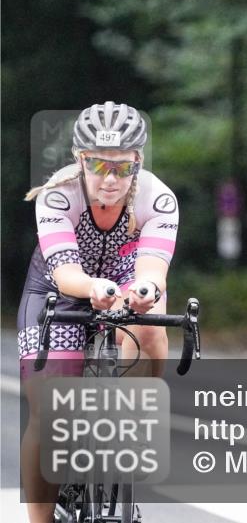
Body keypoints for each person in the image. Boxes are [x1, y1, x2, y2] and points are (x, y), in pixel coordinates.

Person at [18, 102, 179, 523]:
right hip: (61, 288)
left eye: (122, 169)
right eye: (97, 166)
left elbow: (153, 269)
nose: (110, 179)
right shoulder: (58, 195)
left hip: (126, 278)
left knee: (152, 327)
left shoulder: (157, 197)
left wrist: (145, 290)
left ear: (137, 163)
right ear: (79, 160)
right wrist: (92, 287)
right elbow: (67, 270)